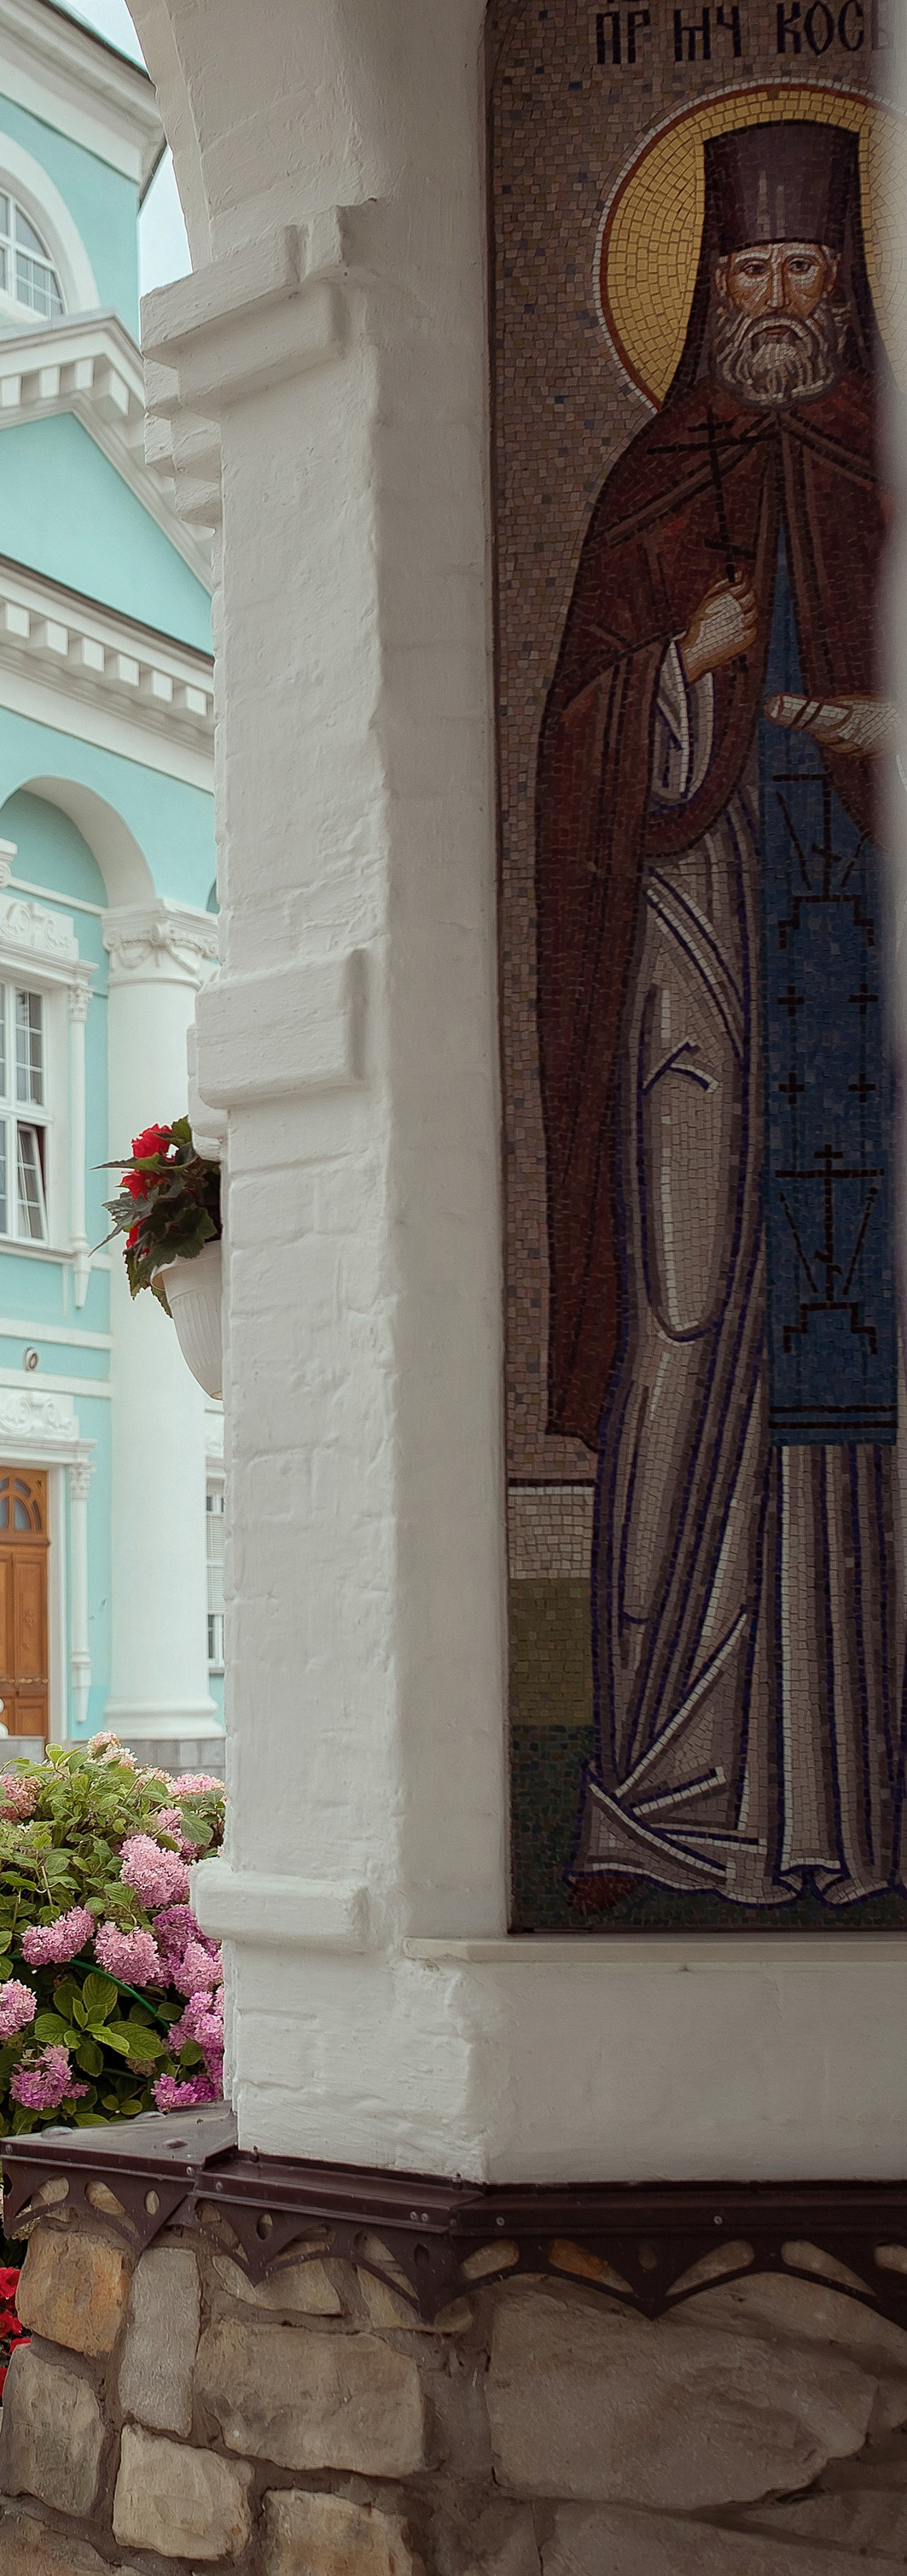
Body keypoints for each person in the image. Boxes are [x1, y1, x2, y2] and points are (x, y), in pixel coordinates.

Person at [537, 115, 900, 1911]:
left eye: (799, 265)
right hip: (691, 962)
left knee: (865, 1359)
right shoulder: (647, 489)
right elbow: (570, 753)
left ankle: (848, 1800)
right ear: (704, 286)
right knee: (685, 1329)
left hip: (861, 981)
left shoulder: (884, 480)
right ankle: (669, 1790)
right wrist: (672, 680)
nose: (770, 299)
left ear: (846, 283)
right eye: (744, 266)